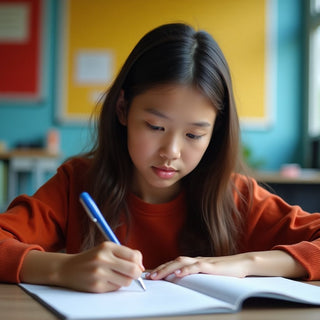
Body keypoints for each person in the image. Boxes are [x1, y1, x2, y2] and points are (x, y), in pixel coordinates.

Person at [0, 23, 319, 293]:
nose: (172, 151)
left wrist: (244, 264)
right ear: (123, 109)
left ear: (215, 132)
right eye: (155, 126)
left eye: (194, 135)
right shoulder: (77, 183)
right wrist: (61, 269)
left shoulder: (237, 196)